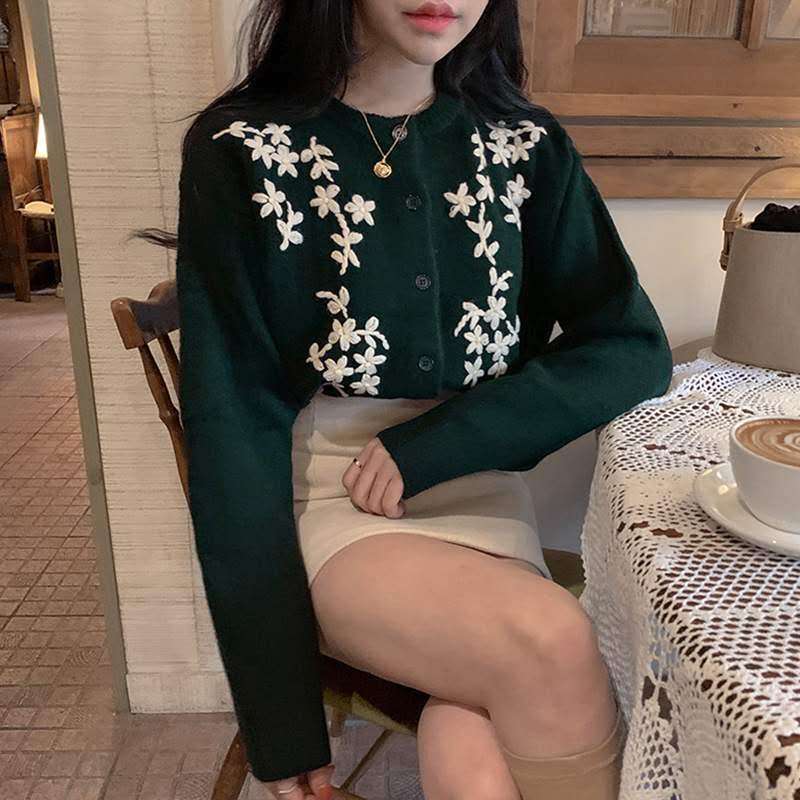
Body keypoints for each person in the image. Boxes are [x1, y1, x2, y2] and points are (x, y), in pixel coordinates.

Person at [135, 1, 674, 797]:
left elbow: (631, 347)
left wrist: (441, 444)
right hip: (327, 498)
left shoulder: (523, 147)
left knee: (480, 752)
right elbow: (232, 425)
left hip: (481, 490)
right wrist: (280, 717)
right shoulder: (242, 149)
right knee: (550, 639)